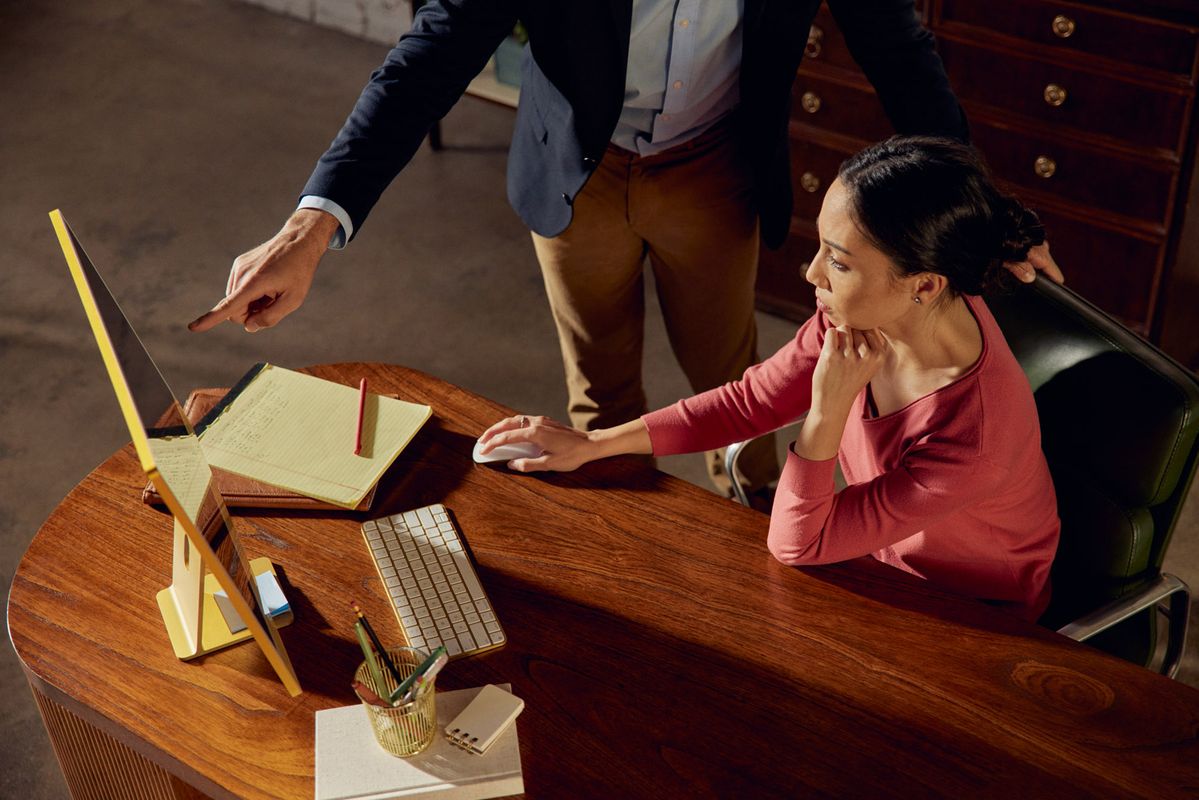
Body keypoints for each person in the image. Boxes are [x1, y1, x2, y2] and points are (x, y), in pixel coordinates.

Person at [188, 1, 1062, 501]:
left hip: (714, 166)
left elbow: (897, 49)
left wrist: (983, 212)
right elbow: (430, 54)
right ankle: (627, 569)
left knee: (732, 376)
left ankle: (760, 515)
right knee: (599, 393)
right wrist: (310, 229)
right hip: (578, 170)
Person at [476, 136, 1062, 622]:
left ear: (925, 284)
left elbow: (796, 544)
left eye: (838, 262)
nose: (811, 274)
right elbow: (750, 401)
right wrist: (595, 443)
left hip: (969, 615)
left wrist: (827, 411)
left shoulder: (976, 439)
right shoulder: (869, 313)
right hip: (869, 558)